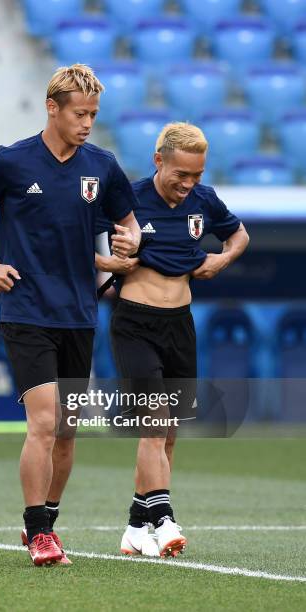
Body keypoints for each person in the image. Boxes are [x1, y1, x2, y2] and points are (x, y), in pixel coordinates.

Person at [0, 64, 141, 567]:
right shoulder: (12, 161)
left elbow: (129, 222)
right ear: (52, 108)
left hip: (80, 313)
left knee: (67, 430)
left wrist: (130, 241)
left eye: (94, 115)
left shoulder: (102, 165)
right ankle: (39, 531)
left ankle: (45, 522)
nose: (87, 123)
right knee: (44, 420)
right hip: (26, 310)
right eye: (80, 113)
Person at [96, 122, 249, 558]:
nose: (188, 184)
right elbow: (71, 237)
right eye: (181, 174)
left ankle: (135, 526)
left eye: (196, 175)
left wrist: (221, 261)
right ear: (158, 160)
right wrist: (110, 261)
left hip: (180, 323)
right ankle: (163, 518)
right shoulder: (128, 199)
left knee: (169, 434)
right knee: (154, 424)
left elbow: (239, 234)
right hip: (135, 323)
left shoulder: (203, 199)